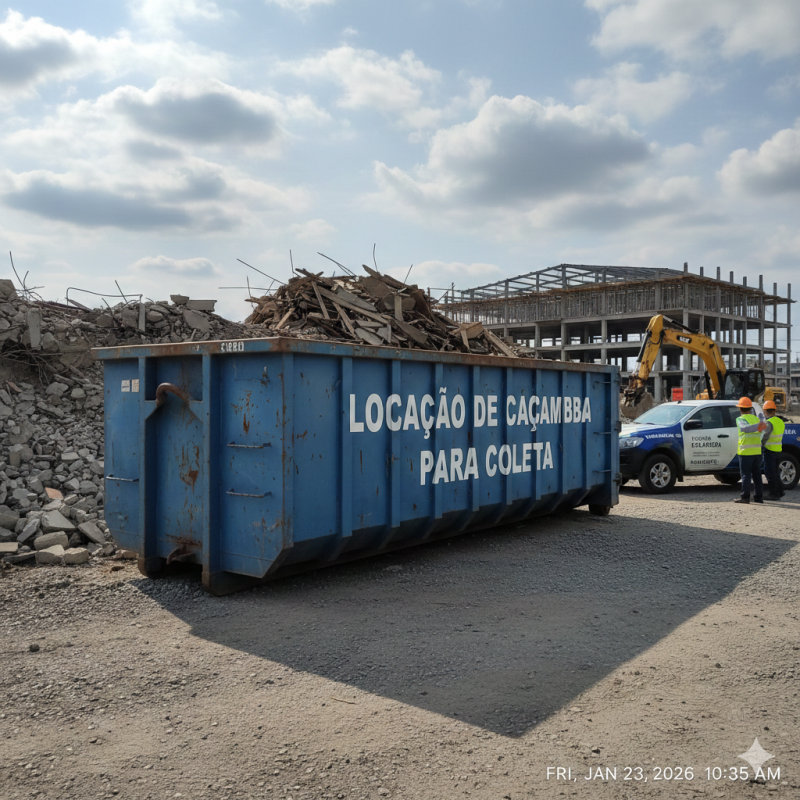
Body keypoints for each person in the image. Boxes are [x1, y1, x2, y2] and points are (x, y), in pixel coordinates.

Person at [734, 397, 767, 504]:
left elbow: (744, 428)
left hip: (745, 453)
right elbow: (763, 432)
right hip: (757, 452)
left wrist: (758, 427)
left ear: (740, 409)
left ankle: (745, 497)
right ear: (750, 408)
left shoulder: (740, 419)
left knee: (746, 475)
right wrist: (759, 426)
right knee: (757, 476)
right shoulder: (756, 419)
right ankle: (758, 498)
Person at [761, 399, 786, 500]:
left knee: (769, 473)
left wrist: (759, 446)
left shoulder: (769, 423)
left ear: (766, 411)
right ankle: (780, 491)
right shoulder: (780, 421)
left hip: (769, 450)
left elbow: (764, 437)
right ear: (774, 411)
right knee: (775, 472)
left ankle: (773, 494)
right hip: (778, 450)